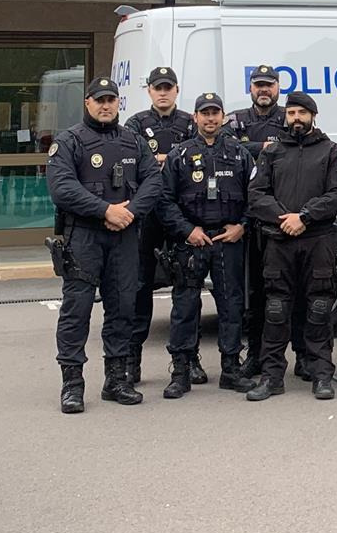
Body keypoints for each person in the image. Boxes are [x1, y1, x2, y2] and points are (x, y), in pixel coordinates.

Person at [46, 76, 164, 412]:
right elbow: (62, 188)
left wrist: (129, 213)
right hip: (83, 236)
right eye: (99, 99)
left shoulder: (133, 141)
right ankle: (72, 385)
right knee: (77, 310)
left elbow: (153, 182)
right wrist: (105, 211)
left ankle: (116, 380)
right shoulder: (69, 142)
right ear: (87, 102)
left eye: (111, 99)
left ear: (118, 104)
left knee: (123, 308)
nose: (105, 105)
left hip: (124, 236)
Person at [245, 91, 337, 403]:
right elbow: (256, 194)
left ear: (312, 116)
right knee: (276, 311)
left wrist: (304, 217)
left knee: (319, 310)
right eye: (291, 113)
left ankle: (321, 375)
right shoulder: (272, 152)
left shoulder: (330, 151)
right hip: (279, 241)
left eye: (301, 113)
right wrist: (284, 219)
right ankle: (272, 377)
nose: (295, 119)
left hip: (317, 240)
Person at [156, 92, 256, 398]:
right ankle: (182, 372)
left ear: (223, 117)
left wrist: (242, 226)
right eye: (204, 113)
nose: (210, 118)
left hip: (228, 240)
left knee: (232, 306)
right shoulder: (179, 155)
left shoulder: (240, 154)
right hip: (192, 242)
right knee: (185, 307)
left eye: (215, 113)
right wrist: (187, 231)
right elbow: (164, 200)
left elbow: (257, 195)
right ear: (196, 117)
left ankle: (231, 369)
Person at [127, 66, 195, 387]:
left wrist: (166, 159)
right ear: (150, 91)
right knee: (140, 286)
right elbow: (133, 162)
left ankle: (187, 358)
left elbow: (198, 159)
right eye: (158, 87)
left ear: (177, 90)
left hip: (181, 212)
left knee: (187, 284)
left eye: (168, 87)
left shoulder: (190, 122)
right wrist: (170, 159)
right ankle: (131, 359)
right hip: (147, 214)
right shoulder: (136, 124)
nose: (163, 92)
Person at [227, 65, 293, 380]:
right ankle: (255, 356)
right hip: (250, 221)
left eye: (269, 85)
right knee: (255, 295)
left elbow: (301, 149)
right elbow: (227, 149)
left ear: (278, 87)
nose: (263, 90)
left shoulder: (289, 117)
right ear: (251, 88)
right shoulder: (236, 120)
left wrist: (251, 149)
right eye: (258, 85)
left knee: (296, 293)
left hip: (285, 219)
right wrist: (265, 148)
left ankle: (304, 357)